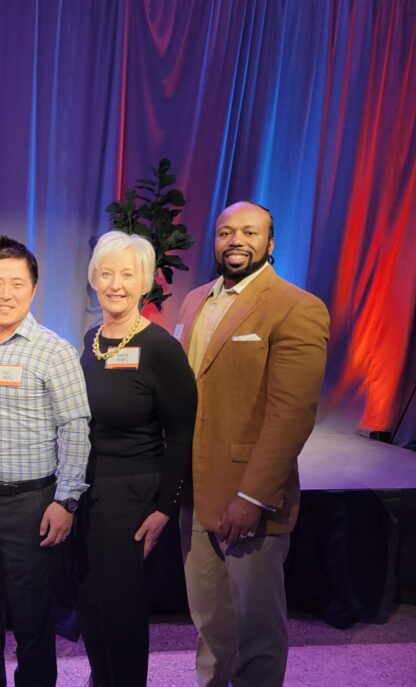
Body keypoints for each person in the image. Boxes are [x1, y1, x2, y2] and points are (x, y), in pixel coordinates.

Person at [174, 201, 329, 686]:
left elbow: (291, 415)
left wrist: (252, 497)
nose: (235, 240)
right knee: (211, 626)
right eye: (225, 232)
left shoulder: (297, 306)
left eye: (248, 231)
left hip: (249, 501)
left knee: (257, 634)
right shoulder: (194, 300)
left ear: (271, 243)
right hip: (194, 496)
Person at [0, 235, 91, 687]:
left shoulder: (54, 351)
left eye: (17, 283)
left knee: (33, 620)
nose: (6, 293)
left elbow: (76, 427)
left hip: (32, 503)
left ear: (33, 289)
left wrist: (66, 500)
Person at [76, 231, 197, 686]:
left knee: (122, 611)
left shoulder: (162, 349)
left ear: (144, 281)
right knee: (91, 604)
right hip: (87, 489)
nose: (115, 284)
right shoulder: (92, 339)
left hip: (131, 492)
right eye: (106, 274)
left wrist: (165, 507)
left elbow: (182, 433)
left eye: (127, 274)